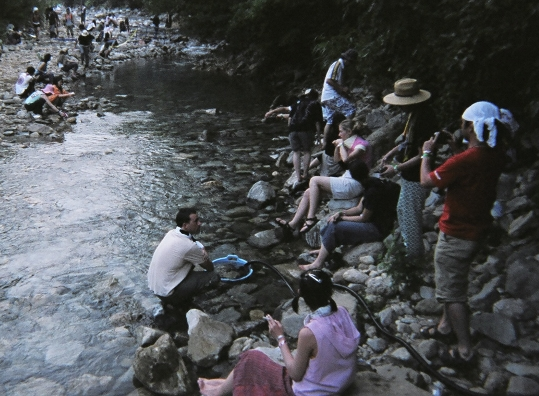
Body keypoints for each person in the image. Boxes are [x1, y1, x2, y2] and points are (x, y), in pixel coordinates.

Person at [419, 101, 518, 367]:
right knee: (452, 283)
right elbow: (470, 168)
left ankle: (464, 351)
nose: (460, 126)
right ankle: (444, 328)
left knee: (452, 293)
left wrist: (427, 154)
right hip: (477, 228)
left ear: (472, 126)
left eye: (464, 123)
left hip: (457, 232)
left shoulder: (465, 160)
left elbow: (427, 181)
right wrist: (455, 149)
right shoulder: (494, 154)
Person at [198, 269, 360, 396]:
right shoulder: (343, 312)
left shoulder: (310, 332)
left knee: (251, 358)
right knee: (254, 362)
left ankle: (219, 392)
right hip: (340, 381)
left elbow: (295, 375)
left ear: (301, 294)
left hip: (313, 391)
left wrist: (280, 337)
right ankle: (225, 384)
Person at [276, 120, 371, 234]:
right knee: (308, 192)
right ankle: (292, 225)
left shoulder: (361, 145)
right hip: (347, 180)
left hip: (355, 183)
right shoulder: (349, 142)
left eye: (341, 132)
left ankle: (310, 218)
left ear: (349, 131)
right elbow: (338, 160)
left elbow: (346, 159)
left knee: (314, 180)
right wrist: (337, 147)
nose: (339, 134)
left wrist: (341, 144)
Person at [378, 78, 436, 259]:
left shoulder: (425, 120)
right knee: (402, 210)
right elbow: (404, 141)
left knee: (410, 216)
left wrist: (396, 168)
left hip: (417, 177)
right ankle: (408, 251)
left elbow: (422, 155)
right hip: (408, 175)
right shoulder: (413, 115)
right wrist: (388, 154)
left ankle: (413, 257)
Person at [299, 168, 399, 271]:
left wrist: (342, 218)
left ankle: (317, 263)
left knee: (335, 227)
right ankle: (324, 250)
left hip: (376, 229)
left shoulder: (373, 192)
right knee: (332, 222)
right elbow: (358, 208)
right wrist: (340, 213)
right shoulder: (372, 183)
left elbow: (363, 218)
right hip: (371, 223)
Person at [147, 208, 220, 308]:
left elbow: (192, 240)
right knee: (213, 277)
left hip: (156, 288)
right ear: (185, 225)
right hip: (168, 294)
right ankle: (183, 302)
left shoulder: (171, 233)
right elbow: (209, 267)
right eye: (196, 221)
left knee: (188, 264)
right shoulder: (188, 246)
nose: (200, 223)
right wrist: (203, 254)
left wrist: (200, 248)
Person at [264, 88, 322, 187]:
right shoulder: (315, 104)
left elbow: (284, 109)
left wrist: (271, 112)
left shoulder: (298, 102)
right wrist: (318, 134)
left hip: (293, 129)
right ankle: (305, 174)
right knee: (307, 151)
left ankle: (298, 176)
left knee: (296, 152)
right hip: (306, 129)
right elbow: (317, 121)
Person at [320, 49, 358, 152]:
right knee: (351, 110)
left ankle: (325, 143)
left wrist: (346, 94)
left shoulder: (339, 66)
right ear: (347, 60)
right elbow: (330, 80)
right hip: (331, 96)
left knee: (330, 119)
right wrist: (342, 89)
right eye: (350, 62)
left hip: (326, 97)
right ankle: (347, 133)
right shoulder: (338, 65)